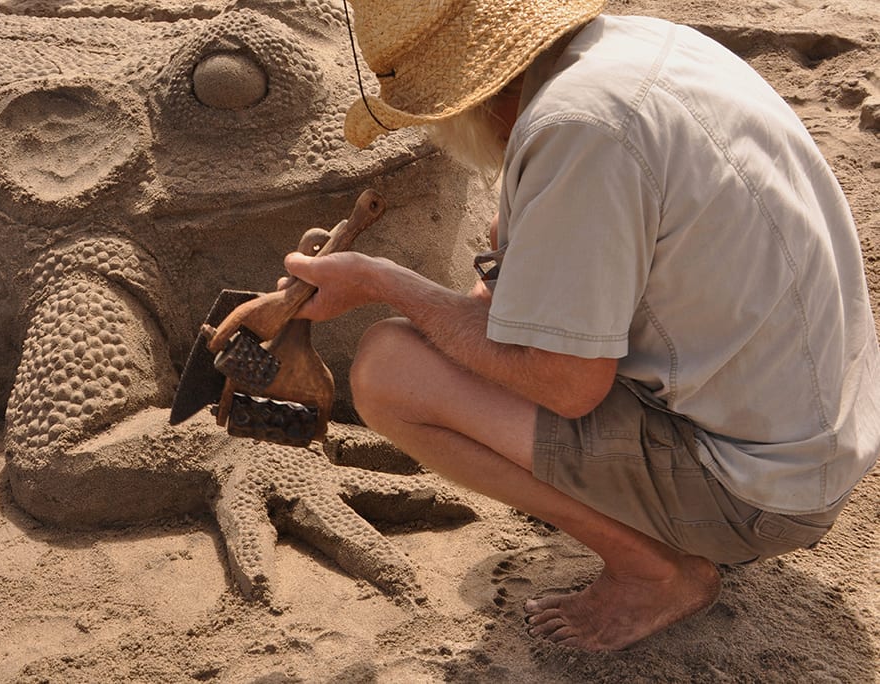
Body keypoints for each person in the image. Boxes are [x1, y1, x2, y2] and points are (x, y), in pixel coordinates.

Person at [282, 0, 880, 651]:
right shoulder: (640, 46)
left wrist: (380, 283)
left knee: (388, 371)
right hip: (817, 435)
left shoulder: (576, 127)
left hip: (765, 493)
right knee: (501, 242)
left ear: (468, 94)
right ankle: (659, 529)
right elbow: (522, 278)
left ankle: (654, 572)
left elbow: (566, 387)